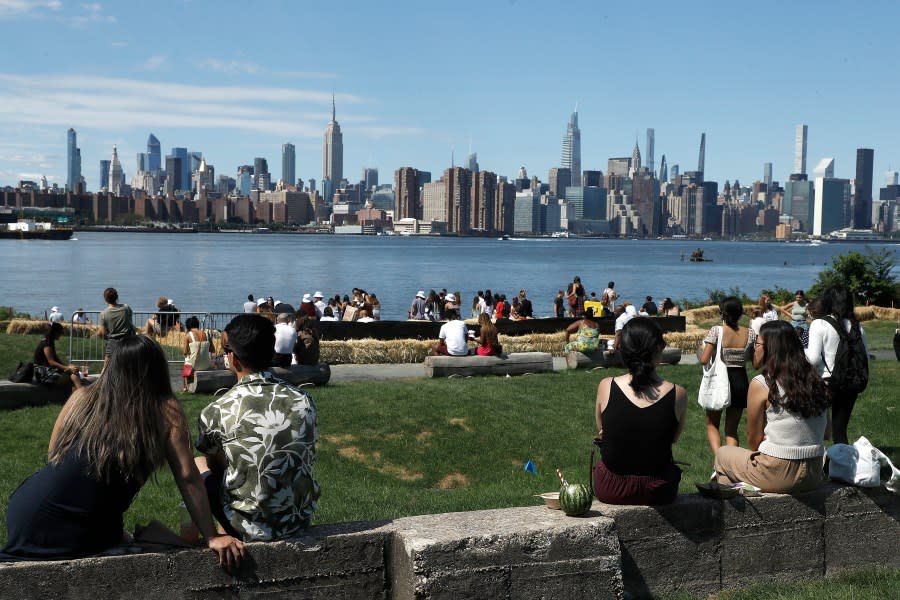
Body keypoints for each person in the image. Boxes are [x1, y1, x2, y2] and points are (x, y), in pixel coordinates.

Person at [2, 335, 244, 564]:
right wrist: (212, 536)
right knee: (153, 546)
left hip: (27, 505)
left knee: (126, 539)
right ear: (157, 371)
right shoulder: (165, 411)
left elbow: (54, 456)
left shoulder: (82, 397)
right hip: (69, 523)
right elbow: (188, 477)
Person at [196, 314, 320, 541]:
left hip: (249, 527)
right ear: (272, 353)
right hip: (297, 520)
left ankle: (220, 536)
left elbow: (214, 465)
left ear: (232, 359)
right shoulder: (304, 400)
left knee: (197, 464)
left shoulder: (217, 410)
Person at [714, 320, 828, 493]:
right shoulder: (817, 381)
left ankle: (734, 512)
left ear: (770, 349)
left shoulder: (762, 383)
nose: (755, 349)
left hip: (779, 472)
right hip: (814, 471)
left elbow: (753, 441)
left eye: (757, 343)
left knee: (723, 455)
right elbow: (828, 433)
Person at [593, 317, 687, 505]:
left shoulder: (606, 386)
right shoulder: (678, 394)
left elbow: (602, 430)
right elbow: (673, 438)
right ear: (658, 350)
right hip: (659, 489)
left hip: (611, 488)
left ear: (623, 351)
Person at [805, 284, 869, 445]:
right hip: (850, 382)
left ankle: (817, 466)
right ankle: (843, 466)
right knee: (840, 430)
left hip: (826, 383)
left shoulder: (819, 324)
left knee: (815, 429)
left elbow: (812, 359)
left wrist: (801, 350)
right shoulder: (857, 326)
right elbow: (865, 356)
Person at [699, 296, 757, 455]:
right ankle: (731, 465)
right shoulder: (750, 333)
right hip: (740, 381)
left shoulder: (716, 331)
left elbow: (704, 360)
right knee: (731, 429)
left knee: (712, 424)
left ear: (722, 313)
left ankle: (719, 463)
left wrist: (700, 350)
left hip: (720, 380)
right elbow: (756, 363)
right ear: (740, 314)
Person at [33, 322, 83, 390]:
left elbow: (56, 360)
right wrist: (68, 368)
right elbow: (51, 362)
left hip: (48, 371)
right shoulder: (46, 344)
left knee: (72, 375)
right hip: (43, 374)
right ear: (55, 332)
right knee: (72, 376)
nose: (61, 335)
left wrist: (68, 366)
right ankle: (82, 393)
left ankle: (78, 395)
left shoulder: (50, 342)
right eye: (60, 332)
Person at [98, 287, 134, 368]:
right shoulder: (126, 308)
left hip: (113, 343)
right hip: (128, 341)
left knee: (106, 368)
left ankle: (102, 380)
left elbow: (102, 332)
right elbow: (130, 322)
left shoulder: (104, 314)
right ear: (117, 297)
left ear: (105, 299)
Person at [182, 316, 211, 392]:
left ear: (188, 326)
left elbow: (185, 352)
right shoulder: (206, 334)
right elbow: (212, 350)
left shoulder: (188, 335)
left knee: (186, 360)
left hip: (194, 365)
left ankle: (185, 387)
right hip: (206, 364)